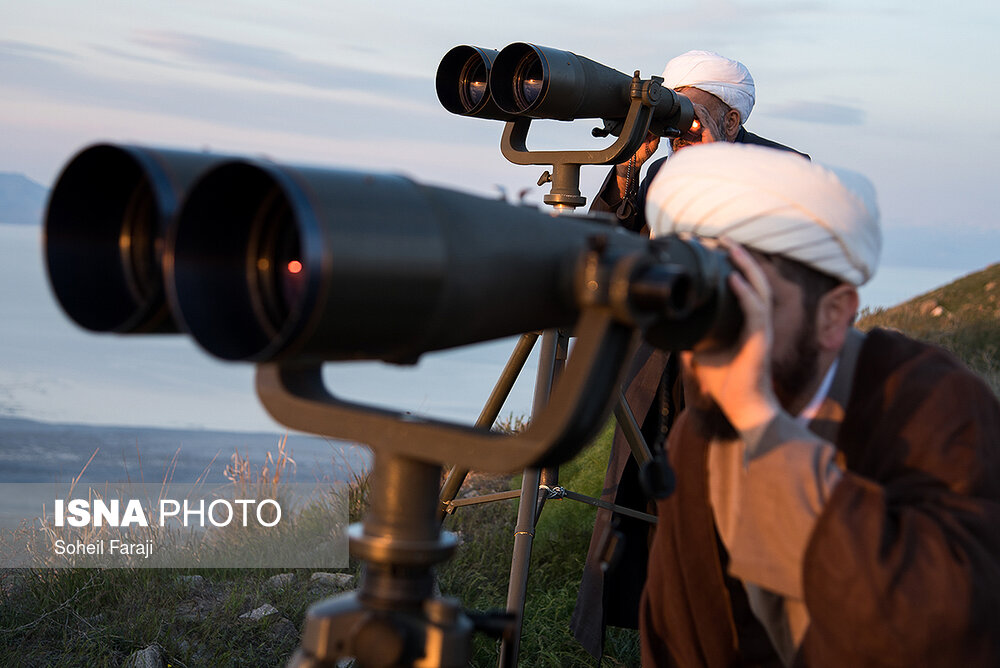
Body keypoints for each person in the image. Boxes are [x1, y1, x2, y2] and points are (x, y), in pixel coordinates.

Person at [639, 142, 1000, 666]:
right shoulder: (697, 439)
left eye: (754, 301)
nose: (716, 338)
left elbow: (940, 631)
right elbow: (681, 642)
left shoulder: (935, 406)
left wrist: (762, 422)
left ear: (835, 316)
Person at [573, 51, 808, 658]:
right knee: (648, 530)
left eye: (690, 111)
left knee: (730, 541)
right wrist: (623, 175)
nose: (679, 129)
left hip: (739, 385)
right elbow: (593, 256)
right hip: (656, 382)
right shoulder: (655, 175)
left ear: (731, 117)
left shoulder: (786, 170)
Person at [590, 50, 807, 236]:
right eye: (672, 116)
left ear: (731, 122)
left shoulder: (786, 167)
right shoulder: (661, 172)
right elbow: (606, 241)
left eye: (691, 117)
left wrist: (713, 167)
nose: (679, 131)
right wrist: (628, 165)